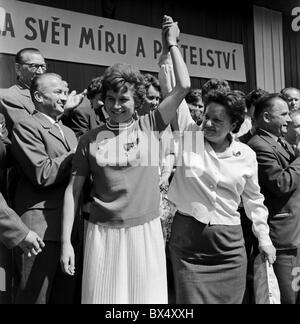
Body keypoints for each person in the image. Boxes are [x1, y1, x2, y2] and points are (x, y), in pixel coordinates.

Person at [60, 16, 190, 304]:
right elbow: (73, 192)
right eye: (110, 99)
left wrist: (172, 45)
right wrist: (66, 243)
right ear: (102, 100)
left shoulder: (151, 124)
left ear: (138, 100)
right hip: (102, 234)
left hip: (146, 231)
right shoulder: (89, 139)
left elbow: (183, 87)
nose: (116, 106)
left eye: (123, 99)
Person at [158, 53, 276, 304]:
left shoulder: (245, 154)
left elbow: (254, 200)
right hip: (188, 245)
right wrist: (169, 52)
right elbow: (173, 92)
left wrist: (264, 239)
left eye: (217, 120)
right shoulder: (190, 136)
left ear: (234, 123)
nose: (207, 124)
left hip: (229, 248)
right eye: (206, 117)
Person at [11, 73, 81, 304]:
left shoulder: (68, 131)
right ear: (38, 97)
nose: (64, 97)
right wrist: (76, 155)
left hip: (69, 232)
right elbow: (42, 173)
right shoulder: (26, 127)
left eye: (65, 92)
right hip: (40, 232)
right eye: (58, 92)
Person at [248, 93, 300, 304]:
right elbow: (281, 183)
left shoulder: (280, 142)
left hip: (294, 233)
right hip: (282, 238)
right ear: (267, 117)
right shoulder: (259, 145)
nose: (288, 119)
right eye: (284, 114)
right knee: (289, 297)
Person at [0, 48, 87, 139]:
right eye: (34, 66)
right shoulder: (11, 97)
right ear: (18, 68)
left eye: (43, 66)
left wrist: (65, 109)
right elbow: (30, 129)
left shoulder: (48, 94)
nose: (40, 71)